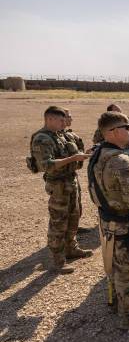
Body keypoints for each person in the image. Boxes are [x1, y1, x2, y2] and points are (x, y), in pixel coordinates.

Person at [87, 111, 129, 331]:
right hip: (125, 224)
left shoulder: (99, 154)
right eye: (126, 127)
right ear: (114, 132)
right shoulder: (121, 161)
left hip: (109, 220)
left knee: (117, 266)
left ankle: (119, 302)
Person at [28, 106, 92, 274]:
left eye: (65, 120)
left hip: (70, 181)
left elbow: (68, 158)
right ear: (49, 119)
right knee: (58, 222)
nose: (65, 123)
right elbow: (46, 165)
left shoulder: (60, 136)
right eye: (61, 120)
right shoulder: (42, 138)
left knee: (74, 217)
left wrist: (83, 155)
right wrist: (73, 158)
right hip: (58, 186)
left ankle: (71, 248)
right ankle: (57, 261)